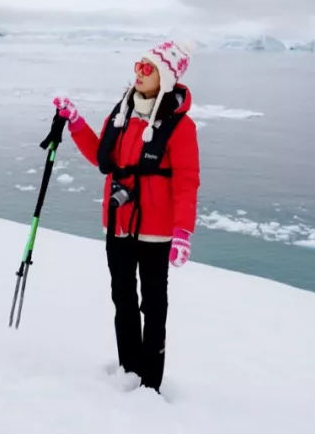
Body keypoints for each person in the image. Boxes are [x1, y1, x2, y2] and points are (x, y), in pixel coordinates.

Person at [52, 41, 200, 392]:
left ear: (165, 77)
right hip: (118, 222)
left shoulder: (181, 127)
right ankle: (128, 369)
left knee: (153, 305)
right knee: (122, 297)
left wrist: (182, 231)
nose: (139, 71)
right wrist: (75, 122)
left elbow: (186, 181)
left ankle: (151, 383)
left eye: (148, 68)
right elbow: (102, 157)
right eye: (138, 64)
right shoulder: (121, 113)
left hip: (155, 232)